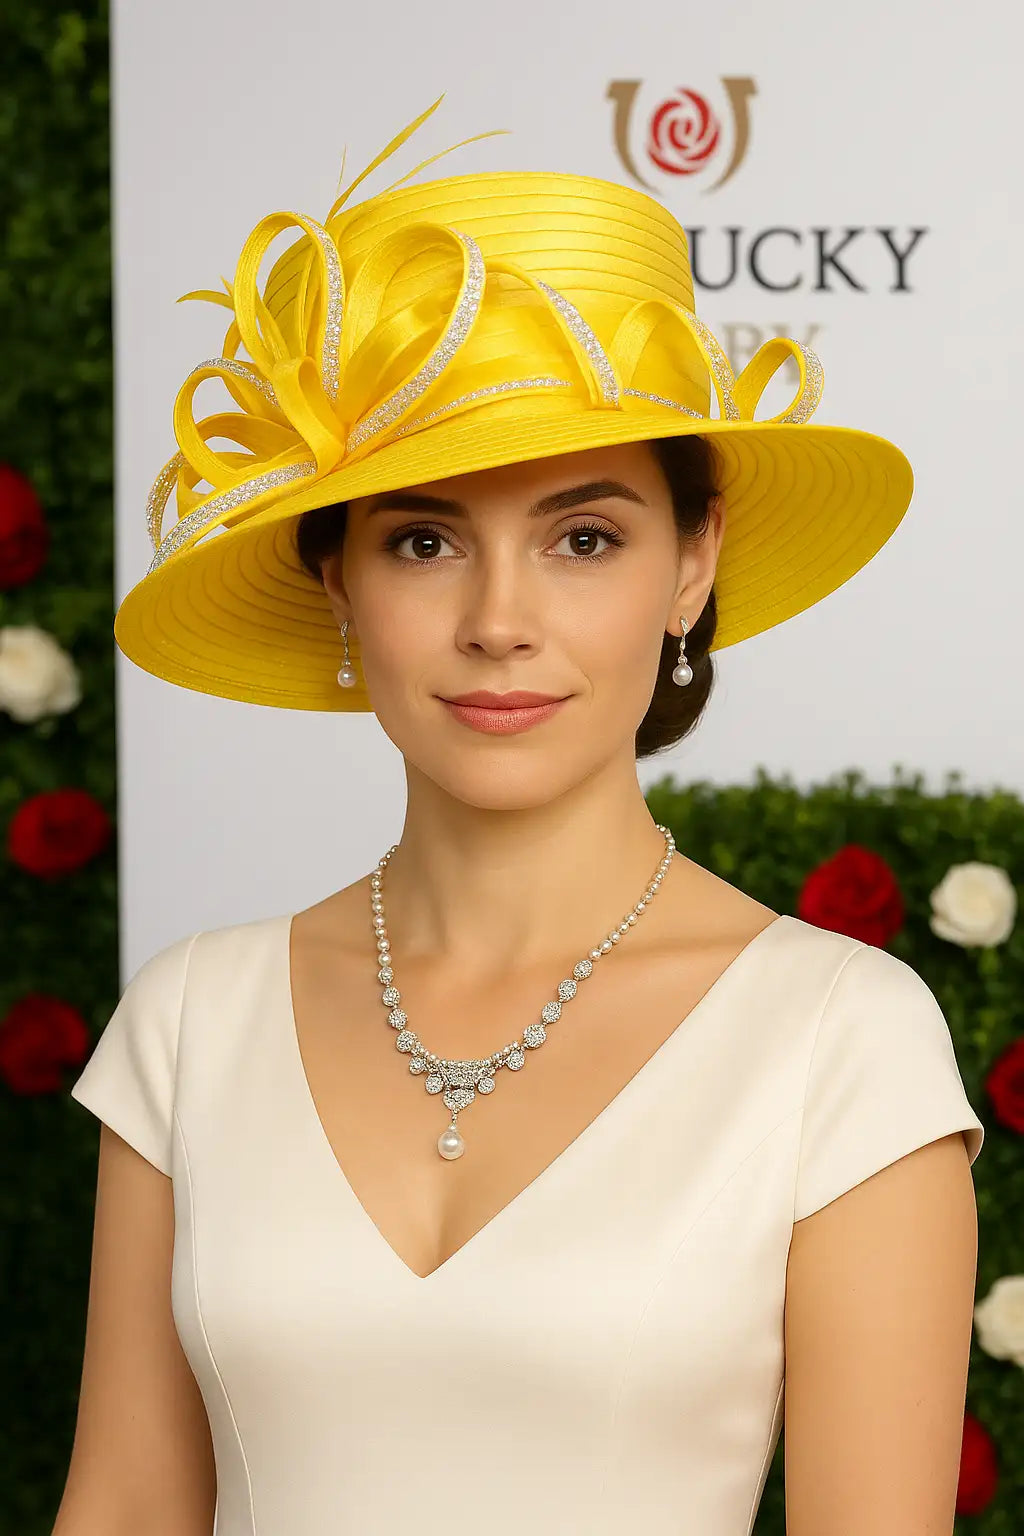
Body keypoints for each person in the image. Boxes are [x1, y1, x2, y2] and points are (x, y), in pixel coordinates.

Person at [57, 95, 985, 1536]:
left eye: (583, 537)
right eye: (425, 539)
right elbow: (120, 1507)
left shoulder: (840, 1041)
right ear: (336, 581)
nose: (499, 620)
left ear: (693, 566)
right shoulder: (191, 1021)